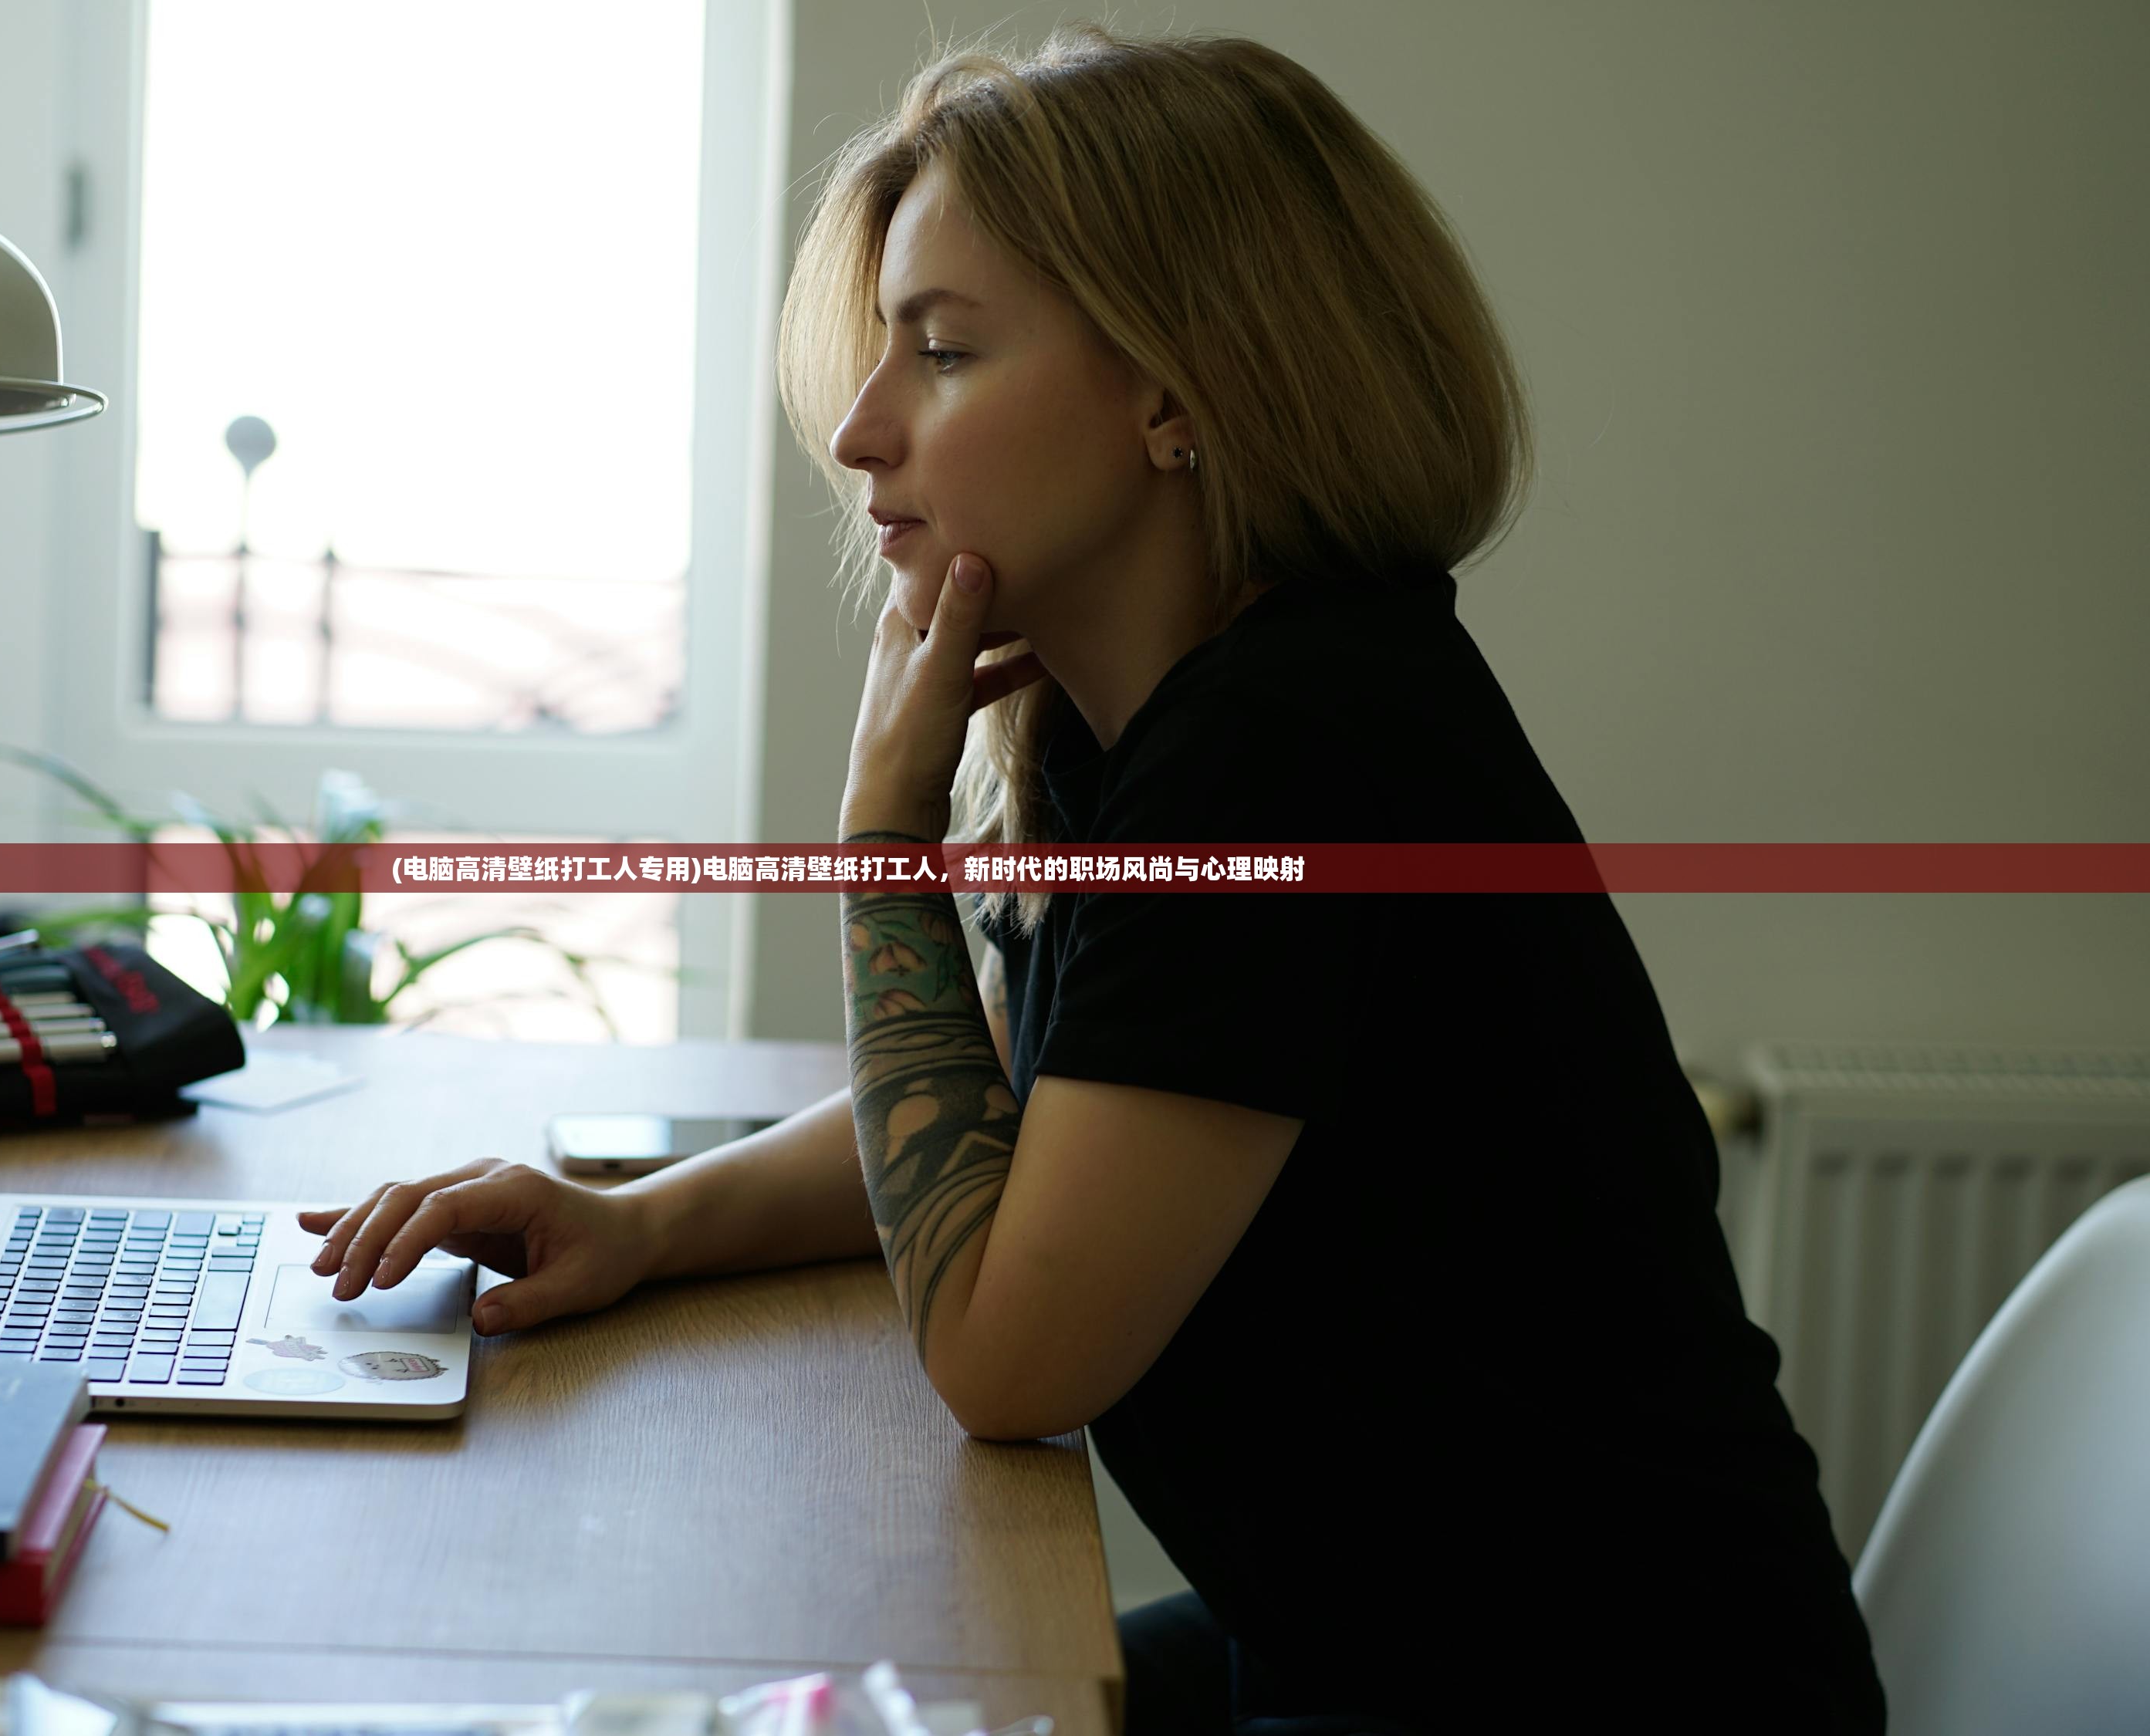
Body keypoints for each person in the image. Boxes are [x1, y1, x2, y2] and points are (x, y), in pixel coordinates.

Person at [301, 23, 1884, 1734]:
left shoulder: (1291, 746)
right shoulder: (1145, 725)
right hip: (1379, 1643)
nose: (856, 431)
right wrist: (638, 1226)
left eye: (945, 354)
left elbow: (1004, 1356)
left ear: (1171, 391)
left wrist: (877, 852)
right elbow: (1027, 1110)